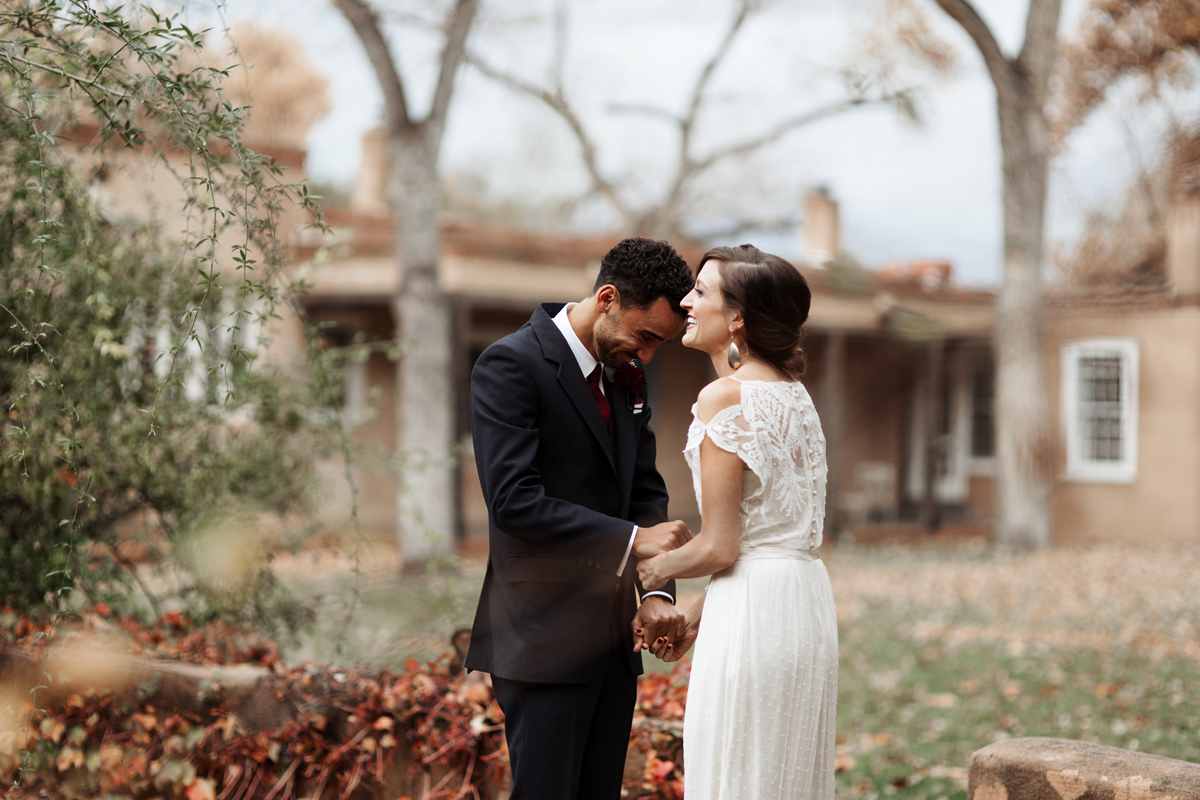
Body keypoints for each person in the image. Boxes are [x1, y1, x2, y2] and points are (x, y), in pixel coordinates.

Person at [465, 236, 696, 800]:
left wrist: (658, 593)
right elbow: (514, 501)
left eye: (660, 344)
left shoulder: (626, 375)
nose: (647, 357)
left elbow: (645, 490)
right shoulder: (510, 364)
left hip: (613, 643)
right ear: (608, 297)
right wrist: (634, 541)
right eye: (645, 337)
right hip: (541, 637)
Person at [636, 244, 838, 800]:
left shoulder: (722, 398)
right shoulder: (796, 398)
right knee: (781, 776)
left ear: (738, 317)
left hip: (755, 617)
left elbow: (720, 546)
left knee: (739, 773)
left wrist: (646, 573)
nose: (685, 301)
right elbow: (765, 539)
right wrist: (696, 611)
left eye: (700, 292)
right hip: (802, 604)